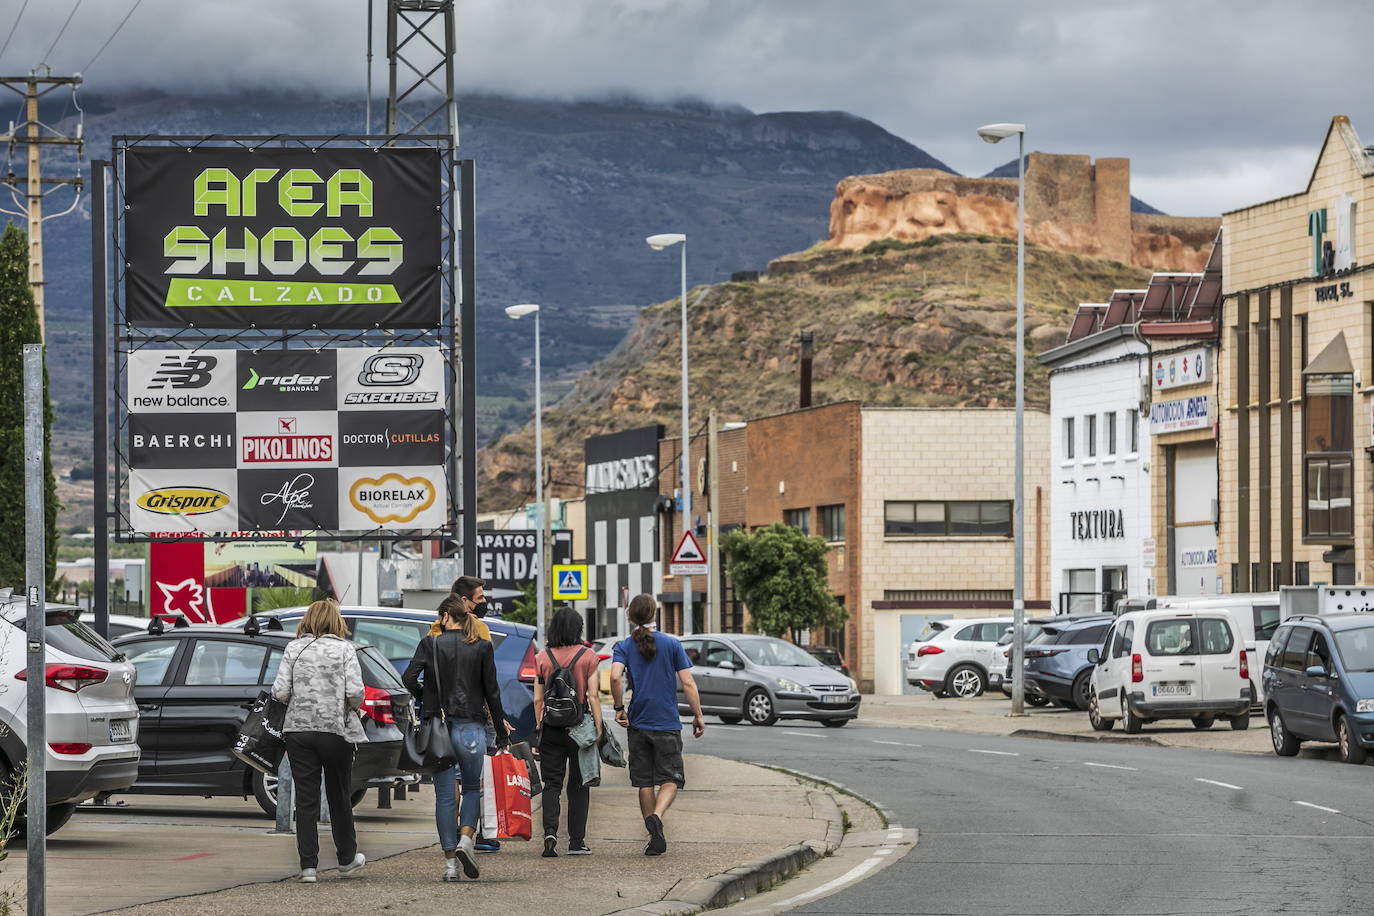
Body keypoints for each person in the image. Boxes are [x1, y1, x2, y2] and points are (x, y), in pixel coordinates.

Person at [403, 591, 510, 883]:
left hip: (439, 728)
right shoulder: (482, 647)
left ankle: (450, 865)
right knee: (472, 788)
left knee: (445, 796)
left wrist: (426, 698)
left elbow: (408, 678)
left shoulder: (430, 644)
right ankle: (466, 839)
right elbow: (492, 693)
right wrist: (501, 733)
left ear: (445, 616)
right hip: (471, 728)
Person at [271, 598, 367, 883]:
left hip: (298, 731)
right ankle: (346, 859)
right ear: (336, 621)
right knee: (339, 795)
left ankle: (308, 867)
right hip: (335, 730)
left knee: (306, 798)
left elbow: (280, 692)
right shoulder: (345, 649)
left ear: (308, 620)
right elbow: (356, 693)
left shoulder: (294, 648)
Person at [610, 594, 704, 857]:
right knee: (671, 779)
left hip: (638, 721)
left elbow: (615, 677)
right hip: (666, 721)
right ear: (654, 614)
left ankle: (654, 837)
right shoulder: (672, 644)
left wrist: (619, 708)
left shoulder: (624, 646)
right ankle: (658, 816)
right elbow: (688, 683)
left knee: (644, 782)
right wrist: (698, 715)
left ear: (631, 617)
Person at [534, 607, 602, 858]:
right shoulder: (588, 656)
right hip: (580, 727)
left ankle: (550, 833)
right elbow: (593, 696)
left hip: (551, 727)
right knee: (579, 784)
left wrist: (540, 725)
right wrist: (599, 728)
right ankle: (576, 841)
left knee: (552, 783)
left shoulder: (542, 657)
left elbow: (537, 699)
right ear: (578, 629)